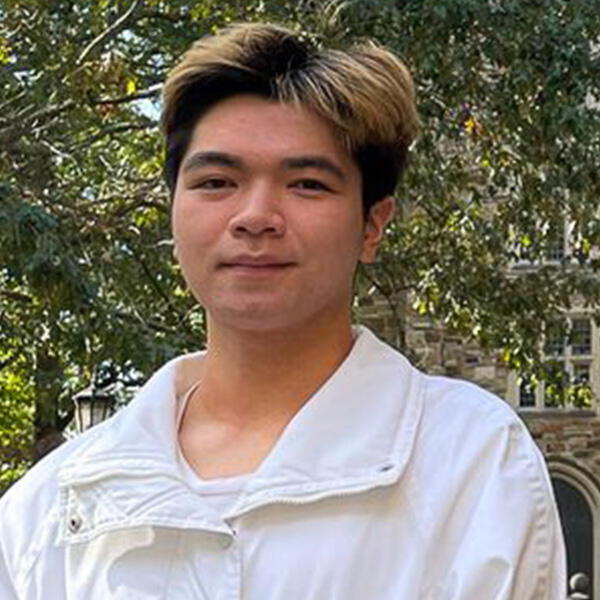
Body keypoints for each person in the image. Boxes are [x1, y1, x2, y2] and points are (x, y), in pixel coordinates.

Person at [0, 22, 565, 599]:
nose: (256, 215)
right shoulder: (50, 509)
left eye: (307, 185)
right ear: (173, 211)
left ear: (373, 224)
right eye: (218, 181)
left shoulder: (472, 463)